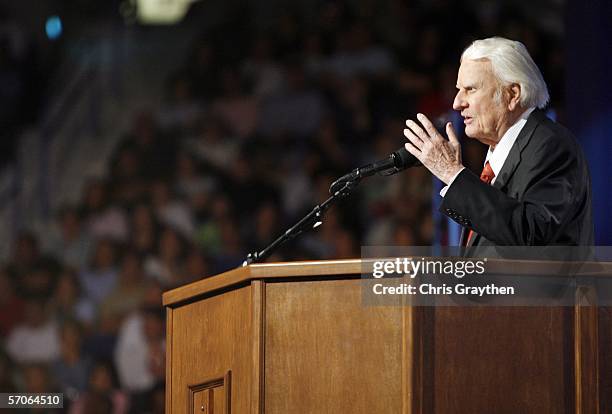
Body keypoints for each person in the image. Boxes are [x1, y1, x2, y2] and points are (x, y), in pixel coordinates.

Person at [403, 37, 593, 246]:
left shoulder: (551, 146)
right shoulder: (498, 153)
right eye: (458, 90)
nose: (457, 103)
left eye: (470, 89)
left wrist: (452, 173)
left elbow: (531, 233)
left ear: (512, 94)